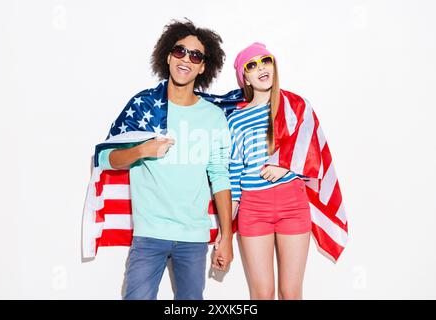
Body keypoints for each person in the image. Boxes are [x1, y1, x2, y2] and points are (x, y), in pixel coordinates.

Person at [97, 20, 234, 300]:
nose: (186, 59)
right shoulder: (144, 106)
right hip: (149, 235)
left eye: (195, 55)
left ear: (203, 66)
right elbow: (104, 158)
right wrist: (140, 151)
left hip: (194, 237)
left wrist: (227, 237)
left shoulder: (213, 117)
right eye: (180, 51)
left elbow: (219, 175)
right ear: (169, 56)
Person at [228, 43, 312, 300]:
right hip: (253, 208)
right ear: (246, 79)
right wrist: (223, 231)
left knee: (290, 292)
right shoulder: (234, 119)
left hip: (293, 204)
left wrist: (285, 164)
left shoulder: (294, 105)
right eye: (251, 65)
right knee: (262, 294)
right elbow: (233, 172)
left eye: (265, 60)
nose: (261, 67)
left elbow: (311, 151)